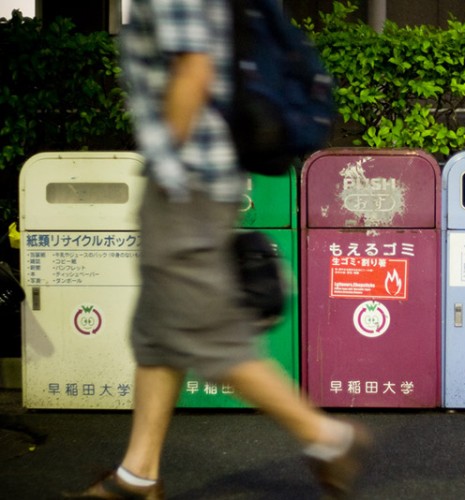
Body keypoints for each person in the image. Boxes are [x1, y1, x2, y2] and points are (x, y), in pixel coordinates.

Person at [65, 0, 371, 498]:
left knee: (209, 337)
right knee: (158, 331)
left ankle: (329, 438)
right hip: (199, 173)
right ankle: (138, 475)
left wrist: (165, 171)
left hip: (186, 177)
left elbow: (195, 66)